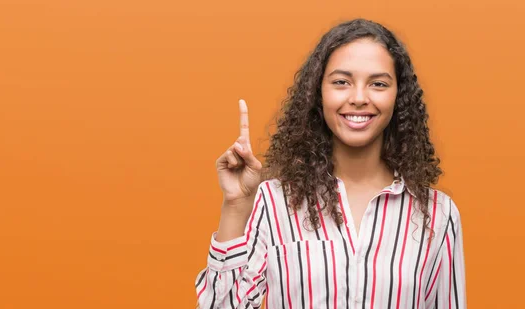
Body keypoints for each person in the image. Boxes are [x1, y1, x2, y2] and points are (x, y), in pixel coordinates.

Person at [195, 18, 466, 309]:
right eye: (341, 82)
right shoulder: (274, 202)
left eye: (378, 83)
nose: (359, 98)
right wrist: (235, 206)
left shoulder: (437, 214)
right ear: (318, 93)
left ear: (398, 96)